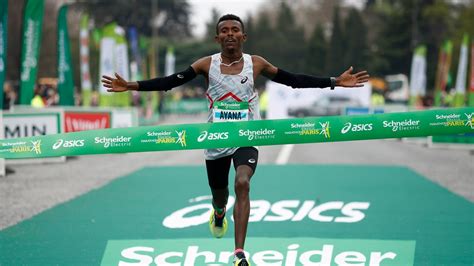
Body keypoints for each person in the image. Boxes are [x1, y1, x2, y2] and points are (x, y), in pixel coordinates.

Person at [102, 14, 369, 266]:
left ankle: (238, 253)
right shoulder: (206, 64)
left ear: (244, 36)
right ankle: (218, 213)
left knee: (242, 183)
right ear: (217, 38)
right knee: (220, 195)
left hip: (246, 136)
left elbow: (293, 80)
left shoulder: (257, 63)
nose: (230, 34)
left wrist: (334, 81)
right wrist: (131, 86)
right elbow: (171, 81)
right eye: (224, 31)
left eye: (235, 30)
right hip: (216, 139)